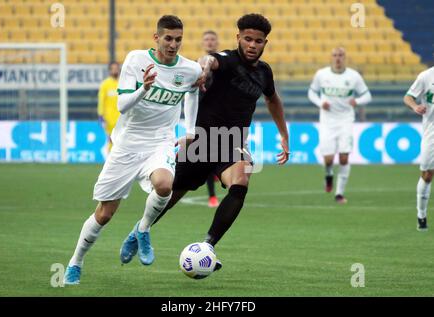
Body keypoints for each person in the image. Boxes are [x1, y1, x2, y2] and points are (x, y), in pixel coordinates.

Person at [120, 13, 290, 271]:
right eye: (247, 39)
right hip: (200, 142)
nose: (252, 45)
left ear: (265, 42)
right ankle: (139, 231)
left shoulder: (264, 72)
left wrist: (284, 135)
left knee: (242, 180)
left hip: (231, 144)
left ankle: (208, 245)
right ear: (238, 38)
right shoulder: (226, 60)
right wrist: (205, 69)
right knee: (168, 196)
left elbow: (273, 99)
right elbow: (208, 60)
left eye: (258, 41)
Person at [63, 15, 202, 285]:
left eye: (178, 39)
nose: (174, 45)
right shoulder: (136, 60)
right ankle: (76, 261)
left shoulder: (190, 69)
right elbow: (123, 105)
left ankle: (142, 229)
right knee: (105, 213)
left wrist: (190, 132)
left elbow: (193, 93)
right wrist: (144, 88)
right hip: (127, 143)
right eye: (168, 39)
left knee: (165, 185)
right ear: (157, 38)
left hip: (160, 140)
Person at [308, 47, 372, 204]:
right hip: (327, 122)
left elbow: (367, 95)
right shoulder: (321, 75)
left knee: (344, 157)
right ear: (331, 58)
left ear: (345, 58)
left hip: (345, 120)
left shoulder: (353, 76)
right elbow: (311, 93)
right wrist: (320, 102)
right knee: (328, 159)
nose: (338, 58)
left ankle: (339, 194)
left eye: (341, 55)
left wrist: (356, 101)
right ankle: (329, 174)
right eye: (335, 55)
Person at [404, 66, 434, 231]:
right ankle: (421, 214)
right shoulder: (426, 76)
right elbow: (408, 97)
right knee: (427, 175)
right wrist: (415, 107)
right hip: (432, 133)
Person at [201, 30, 220, 208]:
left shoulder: (224, 63)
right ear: (202, 43)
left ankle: (216, 170)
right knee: (208, 156)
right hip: (204, 116)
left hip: (223, 115)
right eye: (206, 39)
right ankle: (212, 197)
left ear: (217, 42)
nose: (209, 42)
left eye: (212, 39)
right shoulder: (197, 64)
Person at [98, 62, 120, 153]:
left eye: (116, 68)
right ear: (110, 70)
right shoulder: (105, 84)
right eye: (113, 68)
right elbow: (101, 101)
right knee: (112, 140)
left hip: (122, 117)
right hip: (109, 119)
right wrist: (100, 115)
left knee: (121, 141)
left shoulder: (123, 83)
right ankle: (110, 161)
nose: (115, 70)